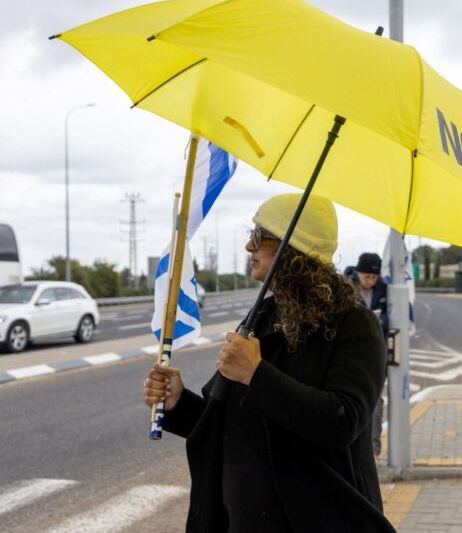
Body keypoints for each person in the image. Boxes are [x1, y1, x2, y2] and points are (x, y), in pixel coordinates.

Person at [142, 193, 394, 533]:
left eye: (259, 236)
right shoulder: (263, 314)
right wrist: (179, 402)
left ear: (293, 248)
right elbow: (230, 427)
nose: (249, 246)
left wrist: (256, 374)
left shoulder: (353, 323)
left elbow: (342, 422)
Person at [351, 252, 389, 456]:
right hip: (352, 353)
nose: (370, 281)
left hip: (376, 353)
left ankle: (373, 451)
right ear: (358, 272)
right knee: (352, 400)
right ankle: (354, 449)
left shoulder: (384, 290)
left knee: (375, 401)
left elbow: (397, 318)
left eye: (374, 277)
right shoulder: (345, 287)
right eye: (367, 276)